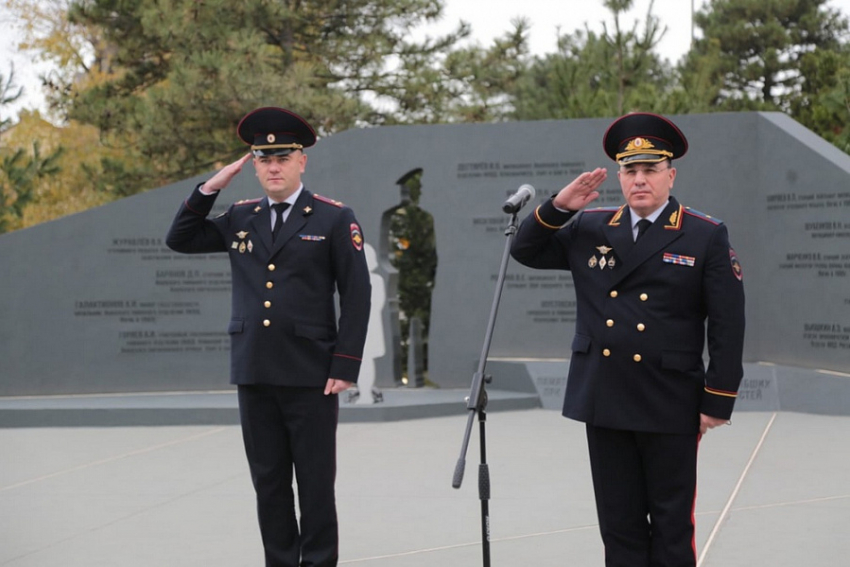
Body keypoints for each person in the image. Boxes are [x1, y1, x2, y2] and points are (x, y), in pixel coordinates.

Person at [510, 112, 745, 567]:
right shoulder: (590, 226)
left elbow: (727, 323)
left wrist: (718, 399)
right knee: (619, 527)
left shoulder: (703, 234)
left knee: (672, 526)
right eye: (630, 170)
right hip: (606, 395)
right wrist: (559, 207)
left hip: (669, 398)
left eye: (650, 169)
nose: (639, 180)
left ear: (670, 175)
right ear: (619, 176)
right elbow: (525, 250)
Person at [166, 106, 371, 567]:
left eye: (283, 158)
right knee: (269, 484)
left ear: (302, 162)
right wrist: (210, 188)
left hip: (312, 374)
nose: (273, 167)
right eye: (264, 159)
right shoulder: (241, 215)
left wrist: (345, 364)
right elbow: (180, 238)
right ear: (254, 166)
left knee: (315, 484)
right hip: (255, 370)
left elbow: (357, 294)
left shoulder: (333, 218)